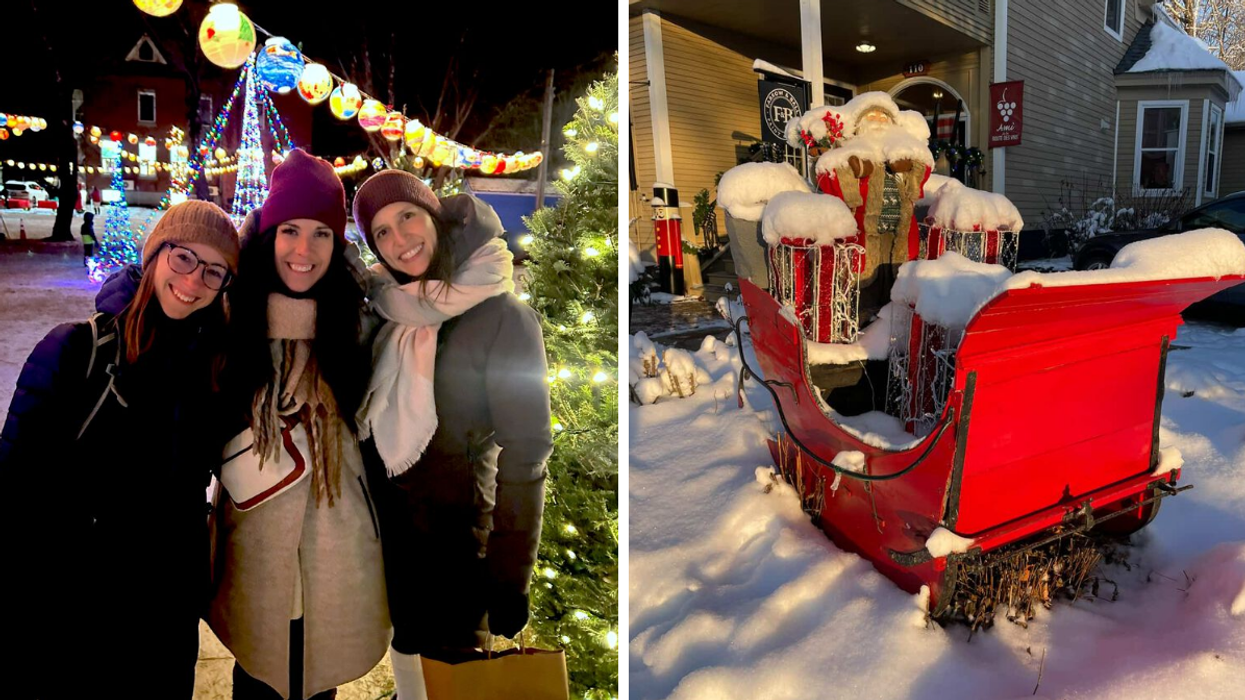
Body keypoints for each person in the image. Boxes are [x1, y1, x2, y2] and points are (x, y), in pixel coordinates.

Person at [0, 200, 240, 698]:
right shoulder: (74, 350)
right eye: (183, 258)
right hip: (75, 607)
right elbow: (14, 489)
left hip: (166, 613)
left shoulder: (215, 370)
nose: (194, 280)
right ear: (155, 255)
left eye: (214, 271)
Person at [352, 170, 553, 700]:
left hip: (461, 552)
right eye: (381, 233)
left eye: (407, 217)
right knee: (410, 674)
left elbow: (527, 452)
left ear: (434, 217)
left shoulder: (503, 317)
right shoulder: (391, 310)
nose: (399, 240)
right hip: (393, 544)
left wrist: (511, 577)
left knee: (454, 684)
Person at [207, 149, 388, 700]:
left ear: (338, 244)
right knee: (258, 672)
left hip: (338, 537)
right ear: (268, 234)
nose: (304, 251)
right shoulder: (227, 313)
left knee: (315, 675)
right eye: (290, 230)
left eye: (321, 234)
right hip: (253, 532)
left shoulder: (360, 319)